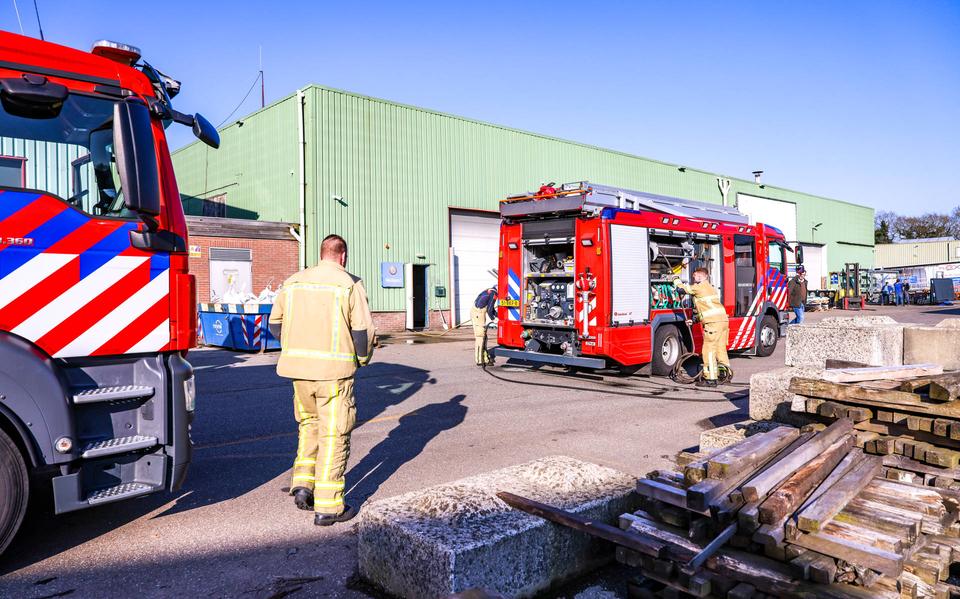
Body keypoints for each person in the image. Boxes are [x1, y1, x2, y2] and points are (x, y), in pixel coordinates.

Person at [268, 234, 376, 526]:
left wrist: (296, 349)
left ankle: (303, 485)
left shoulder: (293, 282)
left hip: (298, 373)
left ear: (321, 254)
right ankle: (329, 507)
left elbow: (274, 324)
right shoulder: (349, 284)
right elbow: (363, 333)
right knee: (334, 434)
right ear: (343, 256)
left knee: (309, 426)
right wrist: (361, 360)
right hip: (333, 375)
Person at [673, 268, 730, 388]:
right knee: (720, 349)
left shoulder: (699, 287)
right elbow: (707, 309)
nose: (694, 279)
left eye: (695, 276)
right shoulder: (709, 287)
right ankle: (724, 375)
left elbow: (681, 289)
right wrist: (694, 320)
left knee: (708, 350)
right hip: (722, 321)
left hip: (713, 323)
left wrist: (675, 279)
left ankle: (710, 379)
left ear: (700, 276)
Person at [472, 286, 498, 366]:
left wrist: (498, 315)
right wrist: (494, 319)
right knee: (480, 337)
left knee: (484, 337)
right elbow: (489, 310)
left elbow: (491, 308)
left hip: (476, 312)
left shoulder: (490, 290)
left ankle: (485, 359)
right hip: (478, 314)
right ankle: (479, 360)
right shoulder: (494, 293)